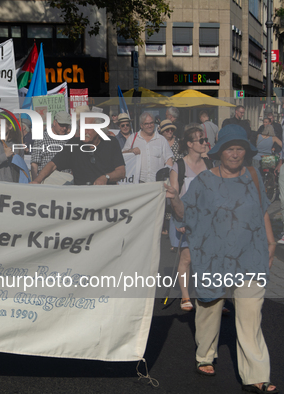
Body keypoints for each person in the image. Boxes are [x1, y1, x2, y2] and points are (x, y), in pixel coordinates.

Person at [167, 124, 277, 393]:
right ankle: (205, 355)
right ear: (220, 152)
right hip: (212, 256)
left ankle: (256, 375)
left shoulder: (253, 175)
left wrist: (271, 241)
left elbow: (261, 210)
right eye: (230, 148)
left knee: (251, 318)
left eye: (240, 148)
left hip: (250, 255)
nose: (235, 154)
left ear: (246, 151)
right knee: (209, 310)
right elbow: (185, 214)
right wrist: (174, 200)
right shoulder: (204, 181)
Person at [168, 125, 213, 311]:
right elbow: (174, 197)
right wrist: (181, 221)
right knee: (186, 257)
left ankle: (212, 297)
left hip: (205, 220)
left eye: (205, 140)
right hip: (184, 218)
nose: (205, 143)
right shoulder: (178, 166)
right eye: (201, 140)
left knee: (209, 258)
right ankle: (185, 296)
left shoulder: (209, 165)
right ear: (189, 144)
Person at [31, 117, 125, 185]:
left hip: (106, 196)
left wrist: (106, 177)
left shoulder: (111, 143)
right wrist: (37, 180)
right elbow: (53, 164)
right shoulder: (74, 143)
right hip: (81, 198)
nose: (82, 132)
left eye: (87, 128)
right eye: (81, 128)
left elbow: (121, 172)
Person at [123, 112, 174, 183]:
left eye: (151, 123)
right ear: (141, 125)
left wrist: (164, 177)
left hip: (157, 182)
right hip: (138, 182)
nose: (149, 126)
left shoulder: (161, 140)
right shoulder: (132, 138)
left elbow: (169, 161)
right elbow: (123, 156)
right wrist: (130, 151)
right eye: (146, 124)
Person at [30, 111, 73, 184]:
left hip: (66, 180)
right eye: (62, 125)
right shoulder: (41, 138)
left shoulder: (70, 140)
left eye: (66, 125)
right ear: (54, 122)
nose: (64, 128)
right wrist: (35, 181)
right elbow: (34, 163)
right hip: (47, 179)